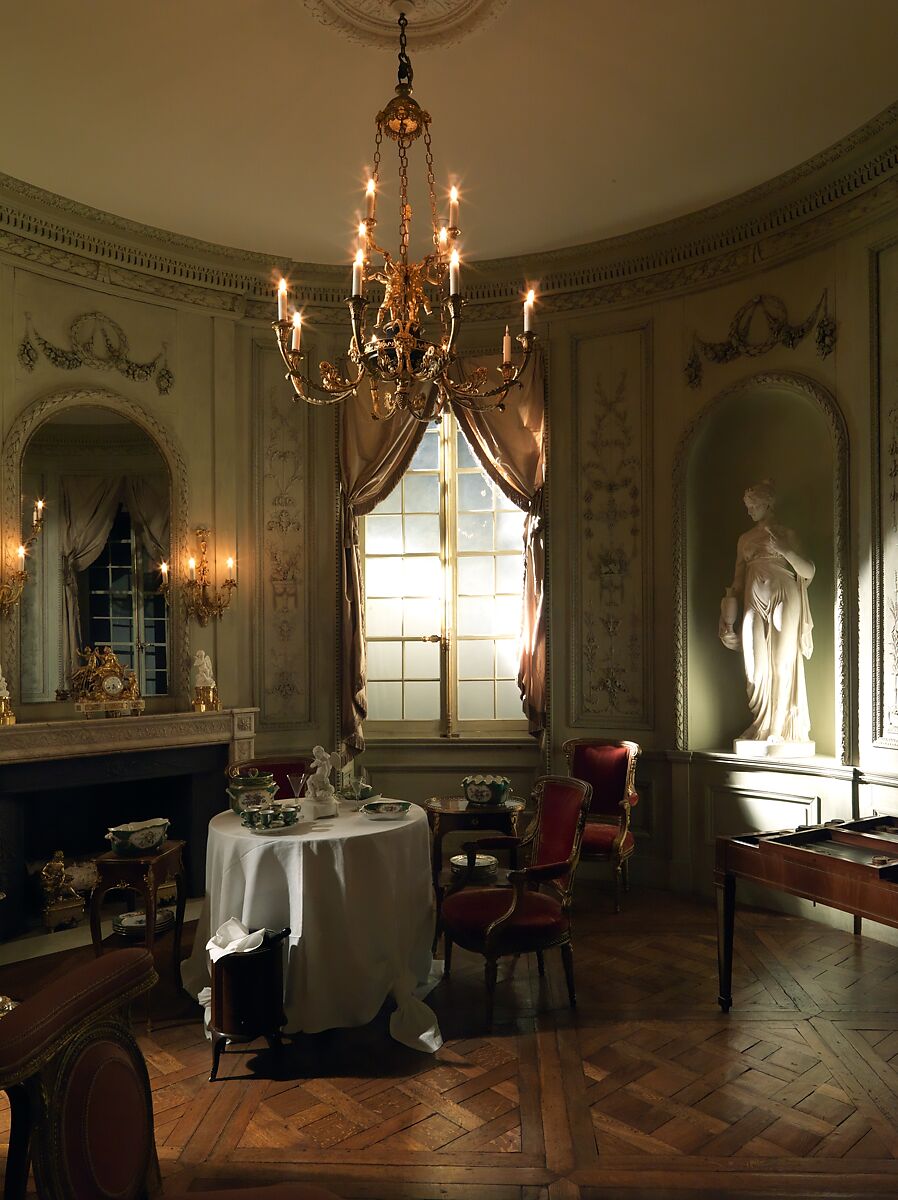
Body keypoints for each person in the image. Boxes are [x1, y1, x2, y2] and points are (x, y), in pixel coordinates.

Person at [719, 480, 815, 748]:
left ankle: (776, 727)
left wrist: (786, 551)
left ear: (768, 503)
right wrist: (726, 619)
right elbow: (737, 581)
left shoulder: (787, 534)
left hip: (784, 595)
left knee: (781, 664)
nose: (749, 511)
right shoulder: (745, 539)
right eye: (747, 507)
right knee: (754, 668)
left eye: (753, 505)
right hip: (752, 600)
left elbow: (808, 571)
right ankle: (760, 721)